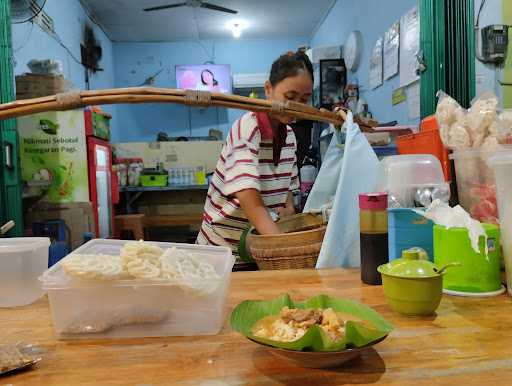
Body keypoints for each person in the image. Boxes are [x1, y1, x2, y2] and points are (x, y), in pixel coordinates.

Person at [196, 51, 314, 256]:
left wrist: (287, 208)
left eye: (304, 99)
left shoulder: (289, 135)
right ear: (268, 89)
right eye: (290, 97)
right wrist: (284, 249)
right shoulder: (247, 128)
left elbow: (287, 187)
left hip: (257, 247)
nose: (297, 106)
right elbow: (249, 197)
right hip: (221, 250)